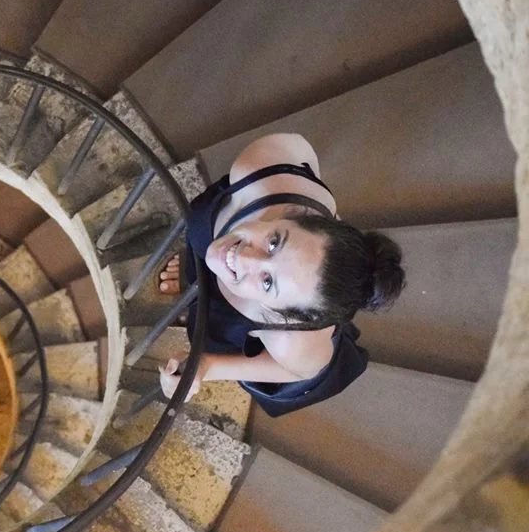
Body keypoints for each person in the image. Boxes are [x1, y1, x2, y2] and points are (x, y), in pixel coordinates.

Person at [157, 133, 405, 417]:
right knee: (205, 263)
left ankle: (198, 290)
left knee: (208, 298)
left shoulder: (296, 341)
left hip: (235, 311)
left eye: (267, 282)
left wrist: (208, 365)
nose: (243, 256)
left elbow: (298, 370)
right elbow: (301, 150)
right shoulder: (262, 166)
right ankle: (197, 279)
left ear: (279, 315)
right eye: (274, 242)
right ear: (296, 214)